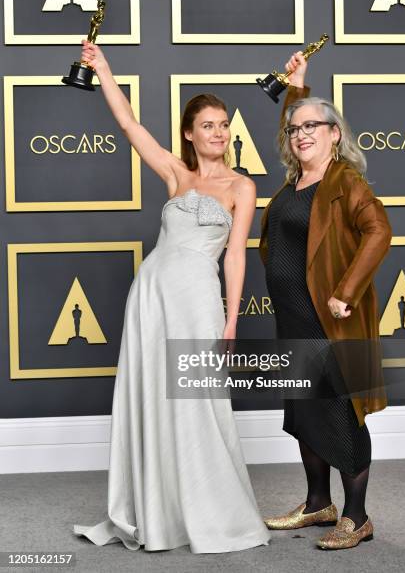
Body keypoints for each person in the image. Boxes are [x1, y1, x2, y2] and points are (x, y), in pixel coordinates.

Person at [73, 40, 270, 553]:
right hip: (152, 294)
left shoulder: (242, 187)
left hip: (198, 298)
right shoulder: (174, 174)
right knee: (153, 392)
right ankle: (157, 511)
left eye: (224, 125)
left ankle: (208, 510)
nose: (219, 133)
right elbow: (129, 125)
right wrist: (104, 69)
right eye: (208, 125)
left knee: (200, 398)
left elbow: (235, 257)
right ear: (189, 133)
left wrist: (229, 324)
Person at [259, 53, 392, 549]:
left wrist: (345, 292)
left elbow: (379, 232)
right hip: (294, 320)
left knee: (341, 412)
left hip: (330, 322)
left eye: (314, 126)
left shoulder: (344, 182)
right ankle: (318, 503)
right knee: (303, 413)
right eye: (295, 129)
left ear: (336, 134)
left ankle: (356, 517)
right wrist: (297, 90)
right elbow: (298, 121)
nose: (301, 133)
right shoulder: (295, 182)